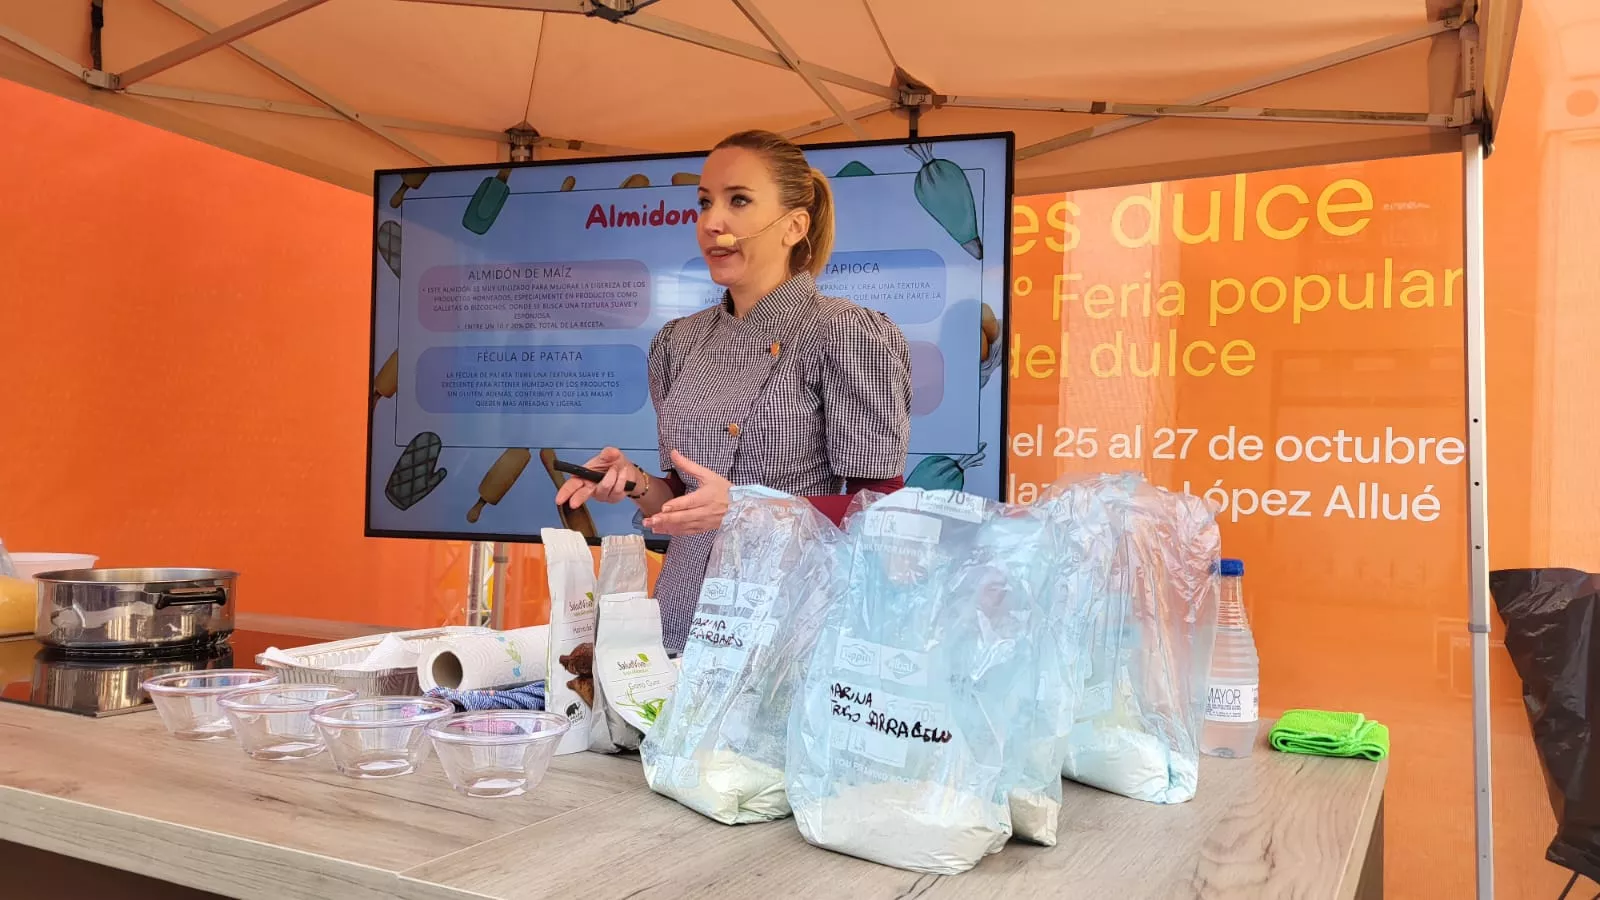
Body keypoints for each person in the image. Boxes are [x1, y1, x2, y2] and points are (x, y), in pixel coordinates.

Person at [555, 129, 912, 653]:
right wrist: (633, 483)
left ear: (795, 225)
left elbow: (878, 512)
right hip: (681, 620)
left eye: (738, 200)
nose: (710, 223)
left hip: (795, 628)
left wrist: (744, 508)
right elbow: (690, 497)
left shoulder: (845, 332)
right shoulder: (679, 342)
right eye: (704, 203)